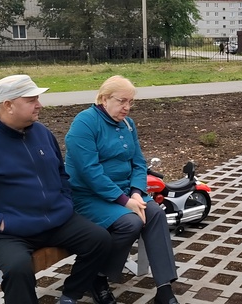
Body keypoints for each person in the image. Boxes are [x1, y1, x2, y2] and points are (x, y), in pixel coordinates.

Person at [0, 74, 112, 304]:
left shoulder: (41, 133)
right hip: (6, 231)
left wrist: (64, 202)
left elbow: (61, 174)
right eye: (31, 100)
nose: (39, 105)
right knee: (17, 269)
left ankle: (70, 295)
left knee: (100, 240)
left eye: (38, 99)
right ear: (8, 105)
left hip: (54, 219)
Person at [64, 75, 179, 304]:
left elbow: (138, 162)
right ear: (104, 99)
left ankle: (164, 288)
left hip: (125, 192)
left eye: (131, 102)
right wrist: (124, 200)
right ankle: (97, 277)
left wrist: (136, 191)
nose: (127, 107)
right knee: (131, 222)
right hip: (89, 196)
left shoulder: (128, 124)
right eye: (122, 101)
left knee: (155, 213)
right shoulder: (84, 123)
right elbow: (89, 172)